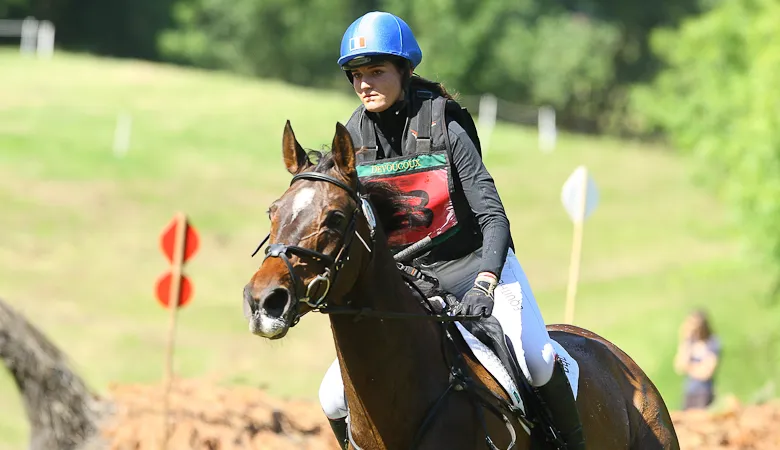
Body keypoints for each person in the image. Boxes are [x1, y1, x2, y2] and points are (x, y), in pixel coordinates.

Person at [318, 11, 585, 450]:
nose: (365, 84)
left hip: (475, 267)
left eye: (377, 72)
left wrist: (485, 281)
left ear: (404, 70)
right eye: (357, 75)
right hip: (412, 285)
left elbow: (493, 217)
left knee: (537, 362)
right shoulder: (353, 135)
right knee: (331, 398)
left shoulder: (446, 123)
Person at [674, 309, 721, 410]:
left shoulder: (712, 343)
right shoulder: (690, 342)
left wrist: (689, 367)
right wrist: (685, 339)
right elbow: (679, 366)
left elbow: (706, 373)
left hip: (704, 393)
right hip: (689, 391)